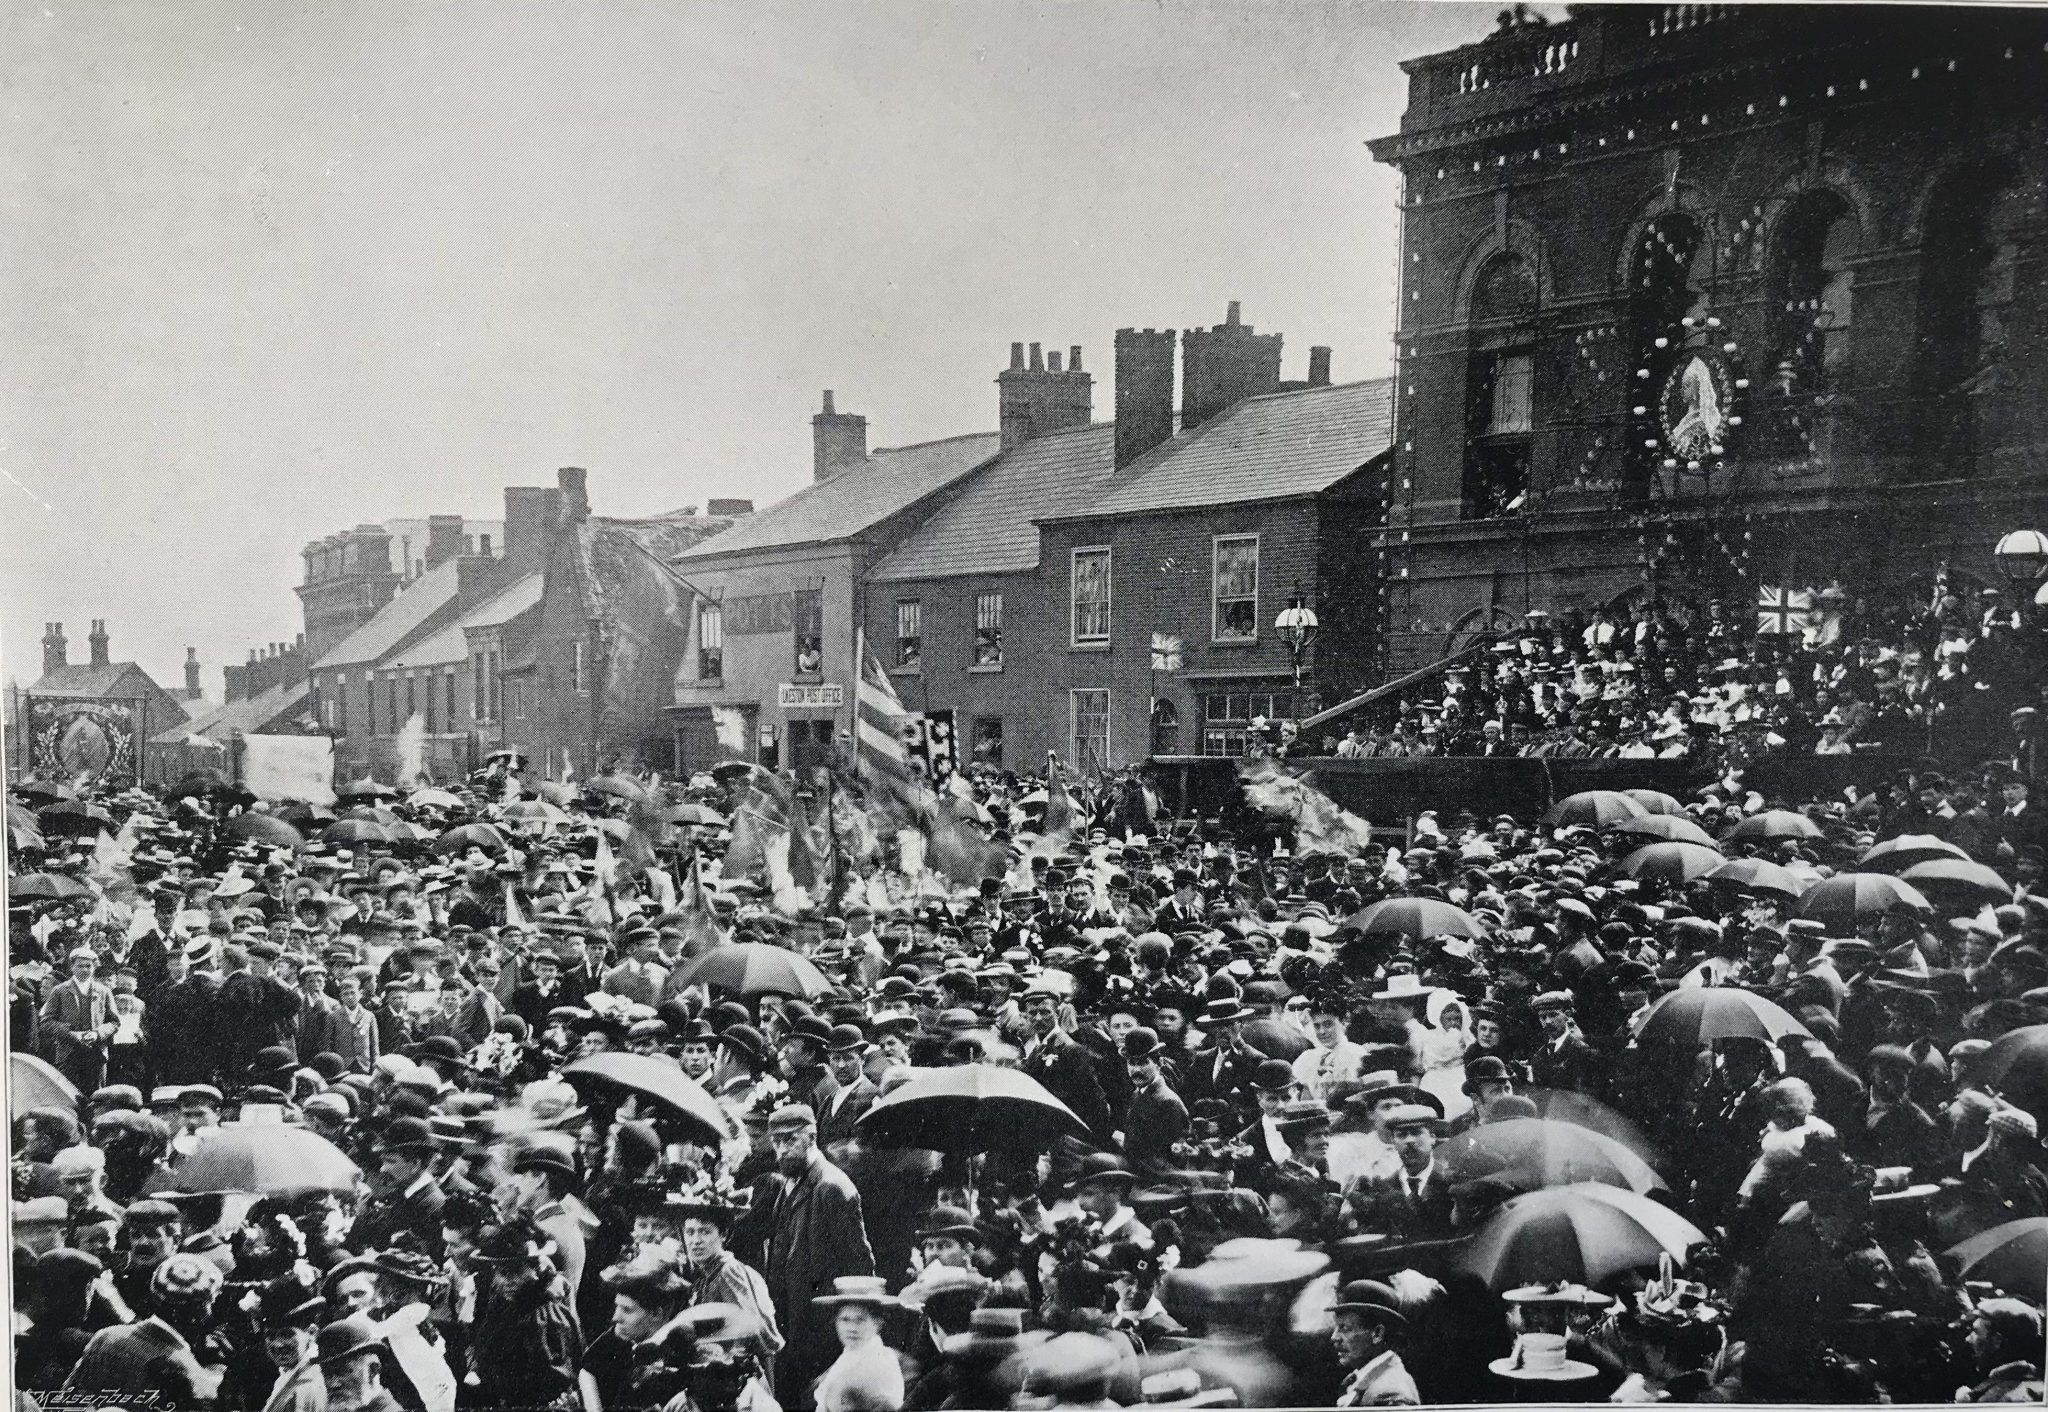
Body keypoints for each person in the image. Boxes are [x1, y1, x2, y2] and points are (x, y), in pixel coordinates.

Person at [760, 1103, 876, 1406]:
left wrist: (846, 1331)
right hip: (791, 1323)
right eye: (777, 1142)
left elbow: (859, 1265)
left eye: (790, 1140)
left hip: (820, 1330)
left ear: (812, 1137)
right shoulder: (790, 1181)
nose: (782, 1149)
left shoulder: (831, 1187)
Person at [809, 1277, 905, 1412]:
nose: (852, 1328)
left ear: (877, 1323)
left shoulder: (879, 1361)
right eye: (845, 1319)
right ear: (836, 1322)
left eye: (860, 1320)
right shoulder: (850, 1356)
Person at [1329, 1280, 1418, 1407]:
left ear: (1377, 1334)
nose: (1334, 1337)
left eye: (1345, 1328)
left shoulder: (1389, 1392)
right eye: (1336, 1328)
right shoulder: (1368, 1381)